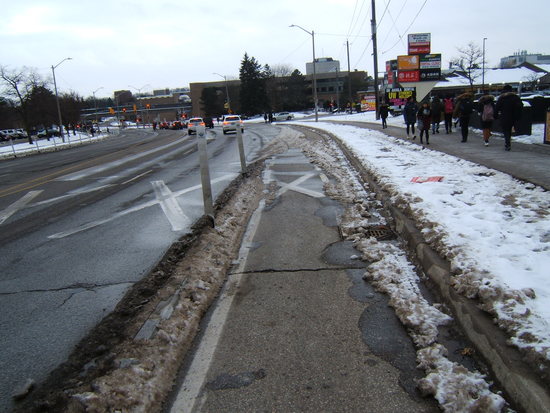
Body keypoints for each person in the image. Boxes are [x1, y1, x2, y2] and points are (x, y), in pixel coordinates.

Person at [495, 84, 523, 151]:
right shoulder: (515, 97)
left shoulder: (502, 98)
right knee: (510, 129)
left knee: (506, 130)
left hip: (504, 116)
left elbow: (497, 107)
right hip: (514, 116)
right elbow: (520, 106)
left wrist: (495, 115)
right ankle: (508, 142)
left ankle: (507, 143)